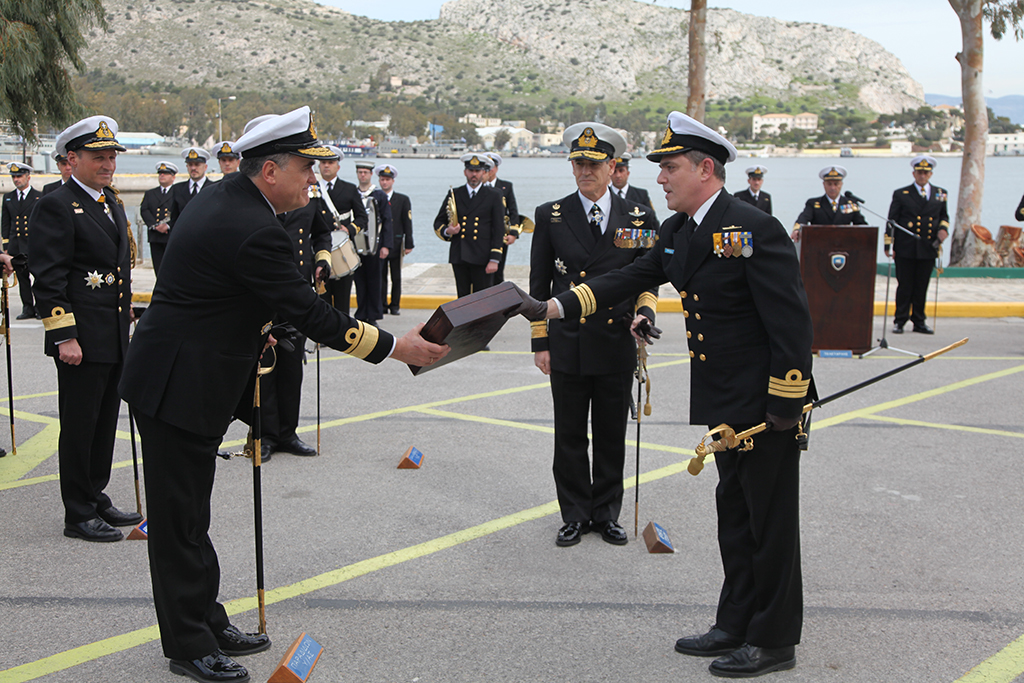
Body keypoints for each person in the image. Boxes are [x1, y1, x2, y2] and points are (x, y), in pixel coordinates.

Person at [118, 106, 448, 683]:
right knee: (178, 522)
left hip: (185, 377)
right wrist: (398, 347)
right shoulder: (251, 226)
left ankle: (207, 619)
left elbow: (233, 293)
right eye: (306, 169)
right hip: (176, 386)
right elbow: (312, 312)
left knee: (191, 515)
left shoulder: (230, 200)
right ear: (270, 170)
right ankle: (189, 645)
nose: (313, 180)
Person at [520, 112, 813, 678]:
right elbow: (624, 280)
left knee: (771, 522)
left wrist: (784, 404)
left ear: (706, 169)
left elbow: (792, 326)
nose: (660, 179)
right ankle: (735, 621)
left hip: (766, 406)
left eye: (671, 168)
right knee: (735, 514)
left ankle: (775, 640)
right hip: (724, 399)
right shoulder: (681, 232)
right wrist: (551, 308)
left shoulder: (753, 227)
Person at [530, 123, 659, 548]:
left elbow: (649, 278)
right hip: (567, 339)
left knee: (609, 434)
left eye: (593, 163)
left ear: (613, 167)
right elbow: (539, 285)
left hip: (614, 341)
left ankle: (605, 514)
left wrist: (643, 313)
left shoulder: (638, 215)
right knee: (568, 435)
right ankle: (573, 514)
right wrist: (540, 341)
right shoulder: (550, 215)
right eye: (578, 163)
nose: (584, 170)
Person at [28, 116, 143, 542]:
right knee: (79, 425)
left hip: (110, 332)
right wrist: (64, 336)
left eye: (112, 156)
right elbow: (49, 277)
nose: (108, 163)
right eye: (99, 157)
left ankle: (95, 495)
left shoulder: (107, 201)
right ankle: (77, 512)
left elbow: (118, 269)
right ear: (72, 159)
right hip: (80, 337)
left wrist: (125, 312)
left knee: (103, 421)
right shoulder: (56, 204)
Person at [885, 155, 949, 335]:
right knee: (905, 286)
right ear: (914, 173)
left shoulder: (940, 193)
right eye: (919, 172)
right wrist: (889, 245)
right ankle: (900, 320)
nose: (922, 176)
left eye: (926, 173)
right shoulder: (902, 194)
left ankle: (919, 321)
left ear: (931, 174)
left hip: (928, 246)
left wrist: (943, 230)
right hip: (906, 247)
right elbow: (892, 221)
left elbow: (944, 216)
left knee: (922, 286)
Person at [433, 153, 505, 298]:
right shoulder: (455, 194)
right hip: (460, 254)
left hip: (483, 256)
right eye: (471, 171)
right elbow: (438, 221)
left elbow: (498, 229)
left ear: (484, 173)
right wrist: (448, 230)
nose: (474, 175)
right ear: (465, 172)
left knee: (482, 300)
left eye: (477, 171)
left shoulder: (494, 195)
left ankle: (482, 322)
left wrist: (494, 259)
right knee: (462, 298)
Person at [317, 147, 367, 315]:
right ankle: (323, 337)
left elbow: (362, 217)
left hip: (342, 250)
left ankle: (343, 338)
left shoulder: (349, 189)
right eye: (323, 162)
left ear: (338, 167)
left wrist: (349, 229)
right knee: (322, 296)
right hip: (319, 248)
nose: (326, 166)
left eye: (330, 163)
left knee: (342, 298)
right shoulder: (311, 189)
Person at [353, 160, 392, 323]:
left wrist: (386, 245)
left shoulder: (379, 195)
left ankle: (373, 315)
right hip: (356, 246)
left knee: (375, 281)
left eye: (366, 172)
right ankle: (361, 313)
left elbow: (387, 221)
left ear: (371, 175)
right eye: (360, 172)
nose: (363, 175)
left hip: (375, 245)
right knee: (359, 281)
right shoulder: (352, 193)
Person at [2, 162, 41, 318]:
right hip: (16, 245)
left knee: (39, 278)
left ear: (28, 177)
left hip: (34, 245)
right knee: (23, 279)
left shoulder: (39, 196)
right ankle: (28, 308)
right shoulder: (8, 198)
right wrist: (6, 245)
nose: (16, 180)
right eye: (14, 177)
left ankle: (39, 308)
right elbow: (5, 223)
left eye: (19, 176)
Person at [791, 165, 866, 242]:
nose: (833, 188)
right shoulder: (813, 204)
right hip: (819, 244)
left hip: (844, 244)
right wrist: (797, 230)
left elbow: (862, 225)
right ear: (824, 185)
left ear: (841, 184)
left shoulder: (851, 204)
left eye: (836, 184)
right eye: (829, 184)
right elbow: (803, 218)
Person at [376, 163, 414, 315]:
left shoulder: (402, 199)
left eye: (387, 180)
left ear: (392, 181)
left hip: (397, 242)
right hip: (380, 243)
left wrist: (409, 243)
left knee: (396, 276)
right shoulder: (375, 197)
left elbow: (407, 221)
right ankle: (383, 304)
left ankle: (395, 305)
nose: (384, 182)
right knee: (381, 275)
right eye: (382, 179)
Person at [485, 152, 521, 284]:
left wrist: (513, 233)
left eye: (491, 167)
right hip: (483, 234)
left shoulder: (506, 186)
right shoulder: (477, 187)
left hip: (501, 235)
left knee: (498, 271)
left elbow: (513, 210)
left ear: (496, 168)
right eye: (486, 167)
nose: (489, 170)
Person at [140, 161, 177, 275]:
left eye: (165, 173)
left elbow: (181, 211)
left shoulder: (178, 192)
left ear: (173, 177)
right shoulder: (150, 193)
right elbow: (144, 210)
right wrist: (155, 226)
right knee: (158, 267)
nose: (162, 175)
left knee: (172, 267)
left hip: (171, 235)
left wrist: (167, 225)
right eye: (160, 173)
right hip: (155, 236)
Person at [169, 147, 214, 228]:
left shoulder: (213, 188)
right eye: (190, 165)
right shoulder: (177, 189)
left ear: (205, 167)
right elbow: (174, 219)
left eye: (197, 165)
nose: (193, 168)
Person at [609, 152, 658, 221]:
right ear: (610, 173)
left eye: (621, 171)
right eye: (614, 171)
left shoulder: (641, 195)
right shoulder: (604, 195)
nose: (618, 175)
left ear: (628, 173)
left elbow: (652, 221)